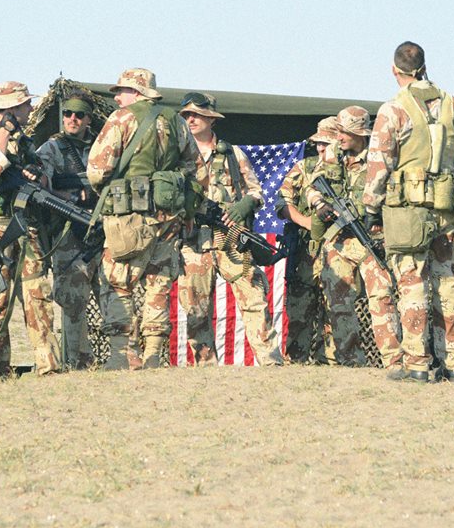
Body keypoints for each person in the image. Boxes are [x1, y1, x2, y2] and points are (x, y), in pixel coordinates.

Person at [362, 42, 454, 382]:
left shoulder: (393, 109)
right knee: (448, 285)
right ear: (425, 66)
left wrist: (371, 207)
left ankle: (416, 365)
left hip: (407, 214)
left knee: (412, 284)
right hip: (448, 211)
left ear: (393, 68)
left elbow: (379, 163)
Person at [86, 68, 207, 370]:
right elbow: (196, 169)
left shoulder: (121, 119)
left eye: (122, 90)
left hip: (129, 218)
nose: (116, 96)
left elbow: (97, 170)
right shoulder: (176, 121)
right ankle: (153, 354)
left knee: (117, 283)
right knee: (159, 283)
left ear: (136, 92)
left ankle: (121, 355)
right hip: (168, 217)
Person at [177, 92, 283, 366]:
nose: (191, 120)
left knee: (254, 297)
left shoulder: (232, 154)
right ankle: (206, 367)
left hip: (231, 239)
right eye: (187, 115)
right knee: (195, 308)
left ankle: (270, 361)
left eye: (197, 115)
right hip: (194, 242)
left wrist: (245, 204)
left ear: (211, 118)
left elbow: (256, 191)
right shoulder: (177, 157)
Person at [0, 81, 61, 376]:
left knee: (38, 295)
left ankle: (49, 364)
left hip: (26, 224)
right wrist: (4, 132)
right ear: (10, 110)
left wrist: (37, 176)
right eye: (25, 105)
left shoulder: (25, 141)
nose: (31, 109)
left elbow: (44, 177)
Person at [306, 106, 403, 368]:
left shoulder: (380, 158)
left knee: (382, 300)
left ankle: (394, 362)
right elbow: (312, 185)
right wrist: (318, 204)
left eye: (345, 132)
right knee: (338, 303)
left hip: (373, 238)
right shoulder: (331, 154)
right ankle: (349, 362)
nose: (339, 137)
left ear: (360, 134)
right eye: (338, 132)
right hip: (339, 240)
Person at [36, 92, 99, 369]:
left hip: (102, 230)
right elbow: (41, 182)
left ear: (88, 119)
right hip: (68, 232)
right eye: (68, 114)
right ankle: (78, 361)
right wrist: (72, 198)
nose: (72, 119)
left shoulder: (101, 147)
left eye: (79, 115)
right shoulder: (52, 148)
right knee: (73, 301)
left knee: (113, 296)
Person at [276, 117, 339, 364]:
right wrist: (305, 222)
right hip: (305, 252)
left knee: (335, 314)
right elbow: (282, 204)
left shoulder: (350, 169)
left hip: (337, 252)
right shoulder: (304, 167)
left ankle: (332, 363)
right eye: (318, 143)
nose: (321, 148)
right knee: (299, 315)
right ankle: (296, 363)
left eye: (326, 143)